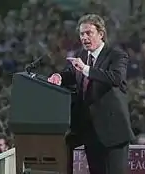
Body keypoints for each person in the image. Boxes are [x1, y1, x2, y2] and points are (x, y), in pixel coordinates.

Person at [48, 14, 135, 174]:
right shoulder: (82, 55)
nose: (85, 37)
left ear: (101, 34)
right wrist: (59, 76)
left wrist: (86, 69)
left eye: (89, 33)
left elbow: (116, 78)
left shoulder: (116, 55)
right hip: (90, 132)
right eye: (82, 34)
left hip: (113, 133)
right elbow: (71, 72)